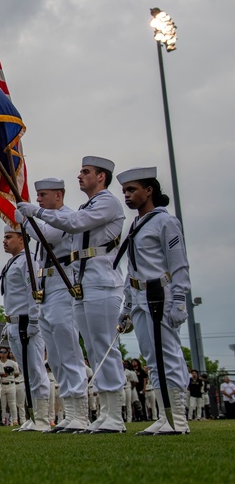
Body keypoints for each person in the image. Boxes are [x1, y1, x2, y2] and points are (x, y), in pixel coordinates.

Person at [18, 155, 127, 433]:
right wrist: (31, 217)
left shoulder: (103, 203)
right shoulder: (84, 206)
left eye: (86, 171)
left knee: (91, 349)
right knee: (69, 353)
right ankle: (89, 413)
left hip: (94, 282)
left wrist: (32, 215)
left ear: (101, 176)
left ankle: (109, 413)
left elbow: (60, 230)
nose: (80, 175)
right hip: (75, 283)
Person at [115, 167, 192, 436]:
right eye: (124, 190)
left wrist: (180, 299)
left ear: (149, 191)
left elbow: (179, 265)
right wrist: (126, 305)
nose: (126, 195)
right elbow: (131, 268)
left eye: (132, 189)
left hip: (159, 295)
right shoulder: (136, 224)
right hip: (138, 295)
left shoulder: (165, 222)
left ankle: (178, 419)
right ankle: (165, 415)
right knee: (152, 358)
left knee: (167, 355)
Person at [19, 177, 90, 432]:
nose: (39, 200)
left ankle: (81, 412)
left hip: (63, 283)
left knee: (68, 348)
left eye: (44, 195)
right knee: (56, 356)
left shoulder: (65, 217)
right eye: (38, 196)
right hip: (46, 286)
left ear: (59, 195)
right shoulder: (47, 217)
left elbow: (47, 235)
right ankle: (70, 413)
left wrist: (28, 221)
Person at [0, 225, 50, 431]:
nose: (4, 241)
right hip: (15, 323)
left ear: (22, 239)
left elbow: (33, 291)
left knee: (36, 370)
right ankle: (32, 416)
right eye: (4, 237)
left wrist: (35, 320)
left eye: (9, 237)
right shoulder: (13, 262)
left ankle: (43, 419)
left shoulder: (28, 260)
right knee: (25, 372)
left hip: (27, 322)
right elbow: (13, 298)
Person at [0, 347, 20, 425]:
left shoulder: (12, 363)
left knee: (12, 403)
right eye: (1, 352)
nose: (3, 354)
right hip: (1, 384)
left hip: (11, 384)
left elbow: (17, 373)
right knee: (2, 404)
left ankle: (15, 420)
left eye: (4, 352)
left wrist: (9, 374)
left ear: (7, 353)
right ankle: (4, 420)